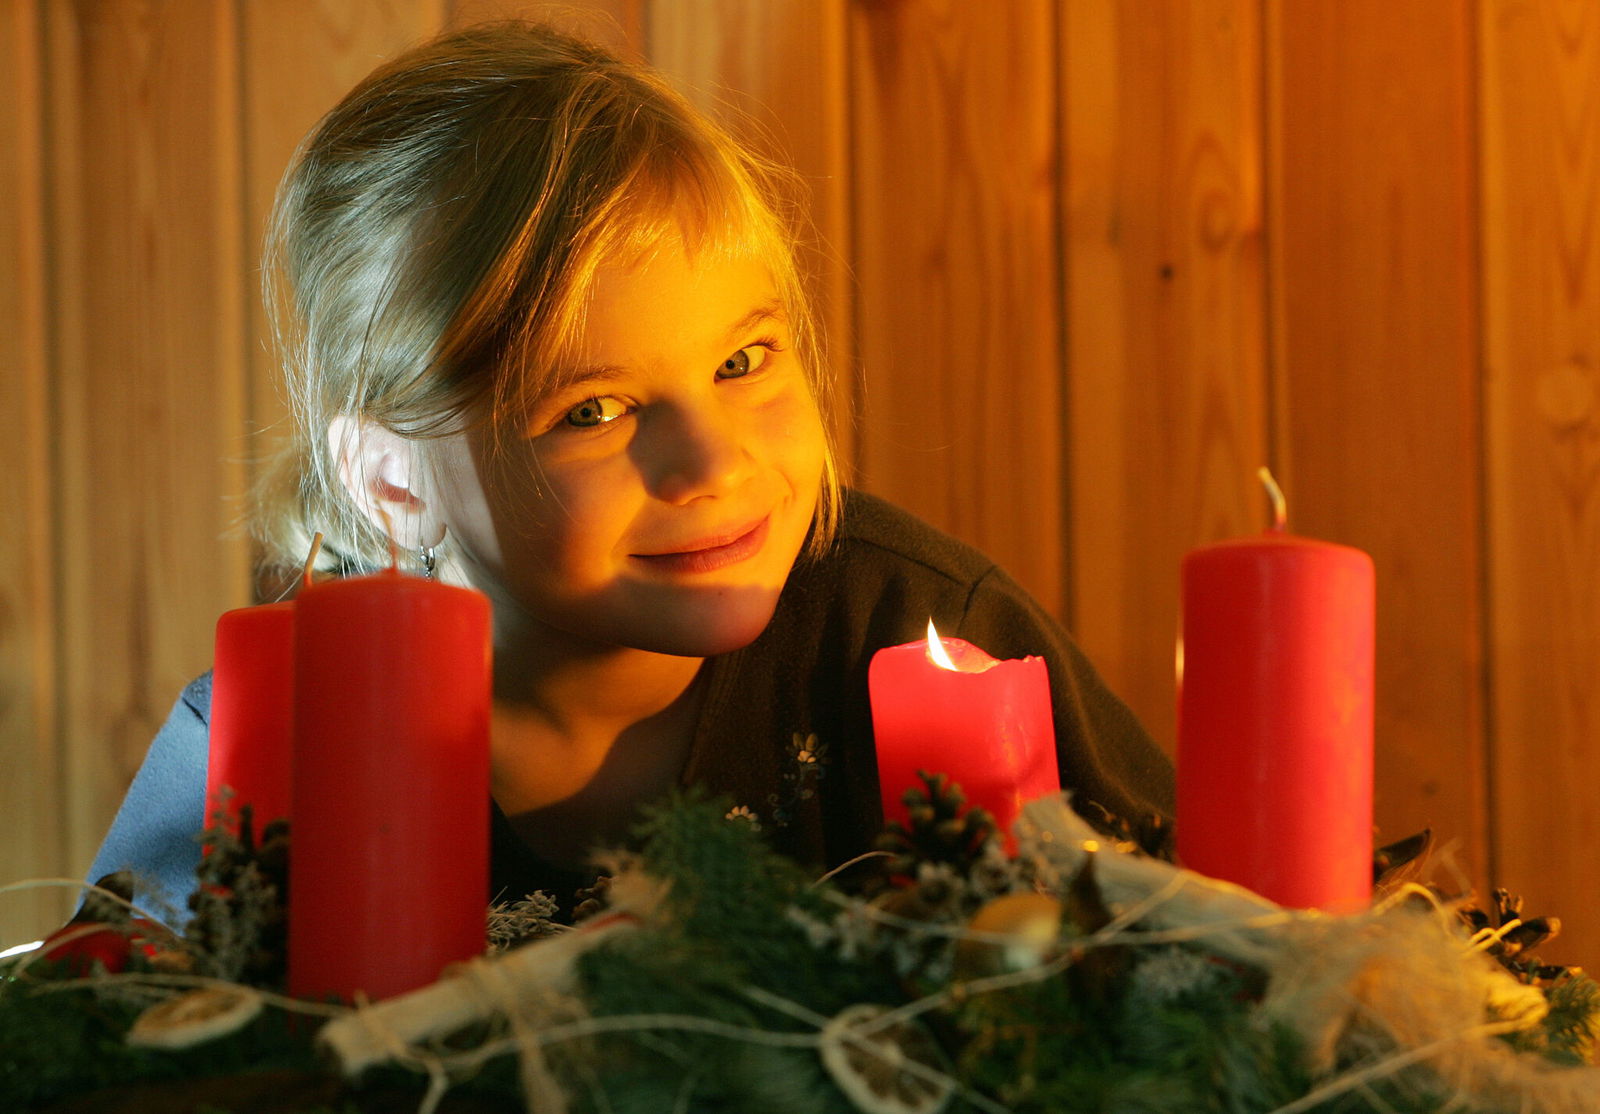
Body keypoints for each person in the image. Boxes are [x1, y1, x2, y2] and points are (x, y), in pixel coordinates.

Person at [87, 20, 1174, 927]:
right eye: (593, 410)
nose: (714, 460)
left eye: (743, 361)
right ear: (392, 481)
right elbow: (101, 1042)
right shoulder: (272, 742)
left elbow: (1211, 950)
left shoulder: (920, 630)